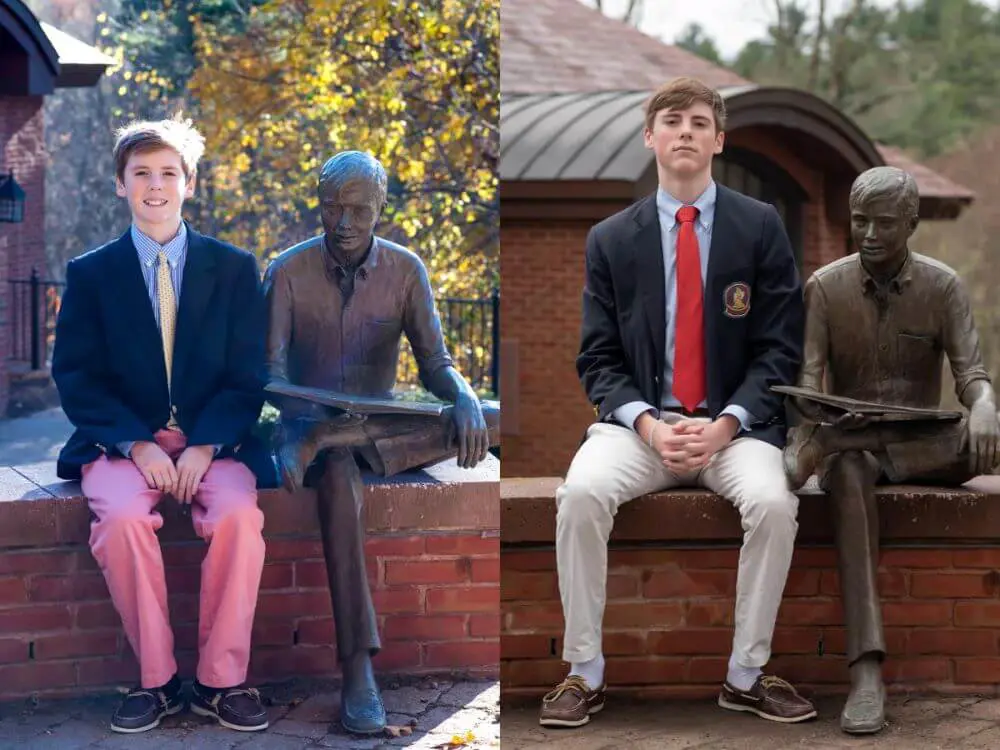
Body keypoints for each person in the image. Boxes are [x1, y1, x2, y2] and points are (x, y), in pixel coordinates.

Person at [539, 77, 815, 728]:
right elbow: (596, 357)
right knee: (578, 496)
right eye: (671, 120)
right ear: (650, 137)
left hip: (736, 430)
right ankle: (584, 673)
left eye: (698, 121)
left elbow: (781, 348)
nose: (684, 131)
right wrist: (647, 425)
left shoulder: (761, 226)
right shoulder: (610, 239)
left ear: (719, 140)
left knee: (776, 504)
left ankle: (745, 675)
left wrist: (725, 425)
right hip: (638, 429)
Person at [263, 150, 498, 735]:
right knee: (339, 479)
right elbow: (265, 377)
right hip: (311, 433)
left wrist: (464, 397)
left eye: (358, 211)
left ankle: (331, 435)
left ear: (380, 208)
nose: (343, 223)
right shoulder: (286, 272)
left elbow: (435, 363)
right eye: (332, 208)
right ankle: (357, 671)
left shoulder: (406, 269)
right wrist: (307, 421)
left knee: (497, 416)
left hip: (380, 429)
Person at [52, 117, 271, 734]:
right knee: (121, 520)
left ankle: (220, 682)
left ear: (190, 183)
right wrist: (134, 441)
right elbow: (75, 374)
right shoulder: (91, 274)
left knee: (238, 519)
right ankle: (157, 681)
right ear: (121, 184)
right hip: (122, 445)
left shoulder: (231, 269)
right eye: (141, 173)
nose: (155, 185)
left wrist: (206, 443)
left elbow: (248, 372)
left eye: (168, 173)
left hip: (214, 442)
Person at [784, 165, 1000, 734]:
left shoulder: (943, 286)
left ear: (911, 222)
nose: (870, 234)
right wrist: (817, 417)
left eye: (884, 223)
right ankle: (866, 672)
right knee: (849, 470)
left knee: (990, 437)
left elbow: (971, 373)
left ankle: (840, 443)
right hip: (849, 452)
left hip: (921, 443)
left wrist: (983, 407)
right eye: (860, 221)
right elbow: (807, 386)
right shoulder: (824, 289)